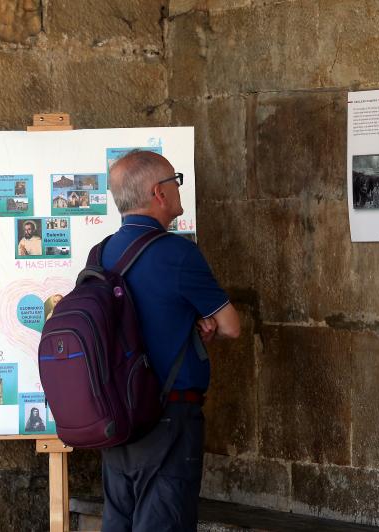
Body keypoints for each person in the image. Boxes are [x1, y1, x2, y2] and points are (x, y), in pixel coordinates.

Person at [100, 150, 240, 531]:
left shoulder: (101, 253)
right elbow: (230, 326)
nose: (179, 189)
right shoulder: (178, 253)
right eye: (175, 180)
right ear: (158, 192)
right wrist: (201, 320)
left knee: (120, 523)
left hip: (118, 418)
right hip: (168, 418)